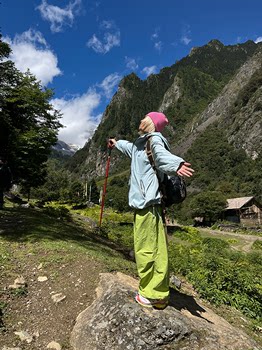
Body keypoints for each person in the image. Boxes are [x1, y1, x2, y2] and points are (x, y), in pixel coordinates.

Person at [108, 112, 194, 309]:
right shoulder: (141, 145)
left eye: (143, 118)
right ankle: (157, 292)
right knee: (150, 247)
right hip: (143, 204)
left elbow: (162, 156)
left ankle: (154, 294)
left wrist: (176, 164)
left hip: (148, 203)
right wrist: (116, 142)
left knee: (149, 249)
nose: (140, 121)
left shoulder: (154, 140)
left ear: (151, 123)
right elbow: (129, 148)